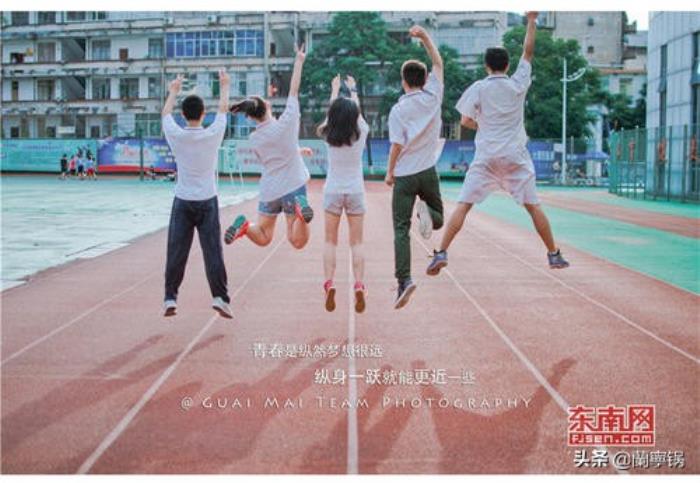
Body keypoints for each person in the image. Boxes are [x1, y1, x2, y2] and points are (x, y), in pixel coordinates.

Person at [427, 12, 569, 277]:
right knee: (533, 206)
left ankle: (442, 251)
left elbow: (465, 120)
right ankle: (553, 253)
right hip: (515, 156)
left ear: (486, 66)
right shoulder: (517, 84)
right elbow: (528, 52)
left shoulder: (479, 88)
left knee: (463, 204)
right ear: (507, 65)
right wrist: (531, 21)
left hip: (487, 157)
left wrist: (484, 125)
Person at [224, 43, 313, 251]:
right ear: (268, 106)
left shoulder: (255, 139)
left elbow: (274, 157)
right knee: (297, 241)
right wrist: (299, 61)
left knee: (264, 236)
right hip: (292, 184)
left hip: (270, 189)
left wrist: (298, 151)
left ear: (249, 117)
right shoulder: (287, 122)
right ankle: (300, 213)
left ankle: (245, 227)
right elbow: (293, 90)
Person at [161, 69, 233, 319]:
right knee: (212, 251)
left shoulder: (176, 135)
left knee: (176, 251)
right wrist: (224, 85)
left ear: (183, 115)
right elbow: (223, 110)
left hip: (183, 201)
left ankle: (170, 298)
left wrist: (173, 91)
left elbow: (165, 114)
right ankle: (220, 297)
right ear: (203, 114)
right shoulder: (213, 134)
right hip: (207, 201)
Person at [385, 25, 446, 309]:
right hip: (428, 170)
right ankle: (428, 213)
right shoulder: (434, 96)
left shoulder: (398, 110)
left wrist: (389, 172)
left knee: (401, 228)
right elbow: (438, 63)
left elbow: (396, 145)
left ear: (404, 82)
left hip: (405, 175)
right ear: (424, 79)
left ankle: (404, 280)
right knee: (439, 219)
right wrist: (424, 38)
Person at [318, 74, 368, 313]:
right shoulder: (362, 131)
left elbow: (332, 114)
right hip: (355, 191)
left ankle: (329, 283)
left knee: (330, 241)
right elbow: (356, 113)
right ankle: (359, 285)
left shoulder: (327, 132)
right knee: (356, 242)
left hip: (333, 191)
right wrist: (353, 89)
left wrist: (334, 90)